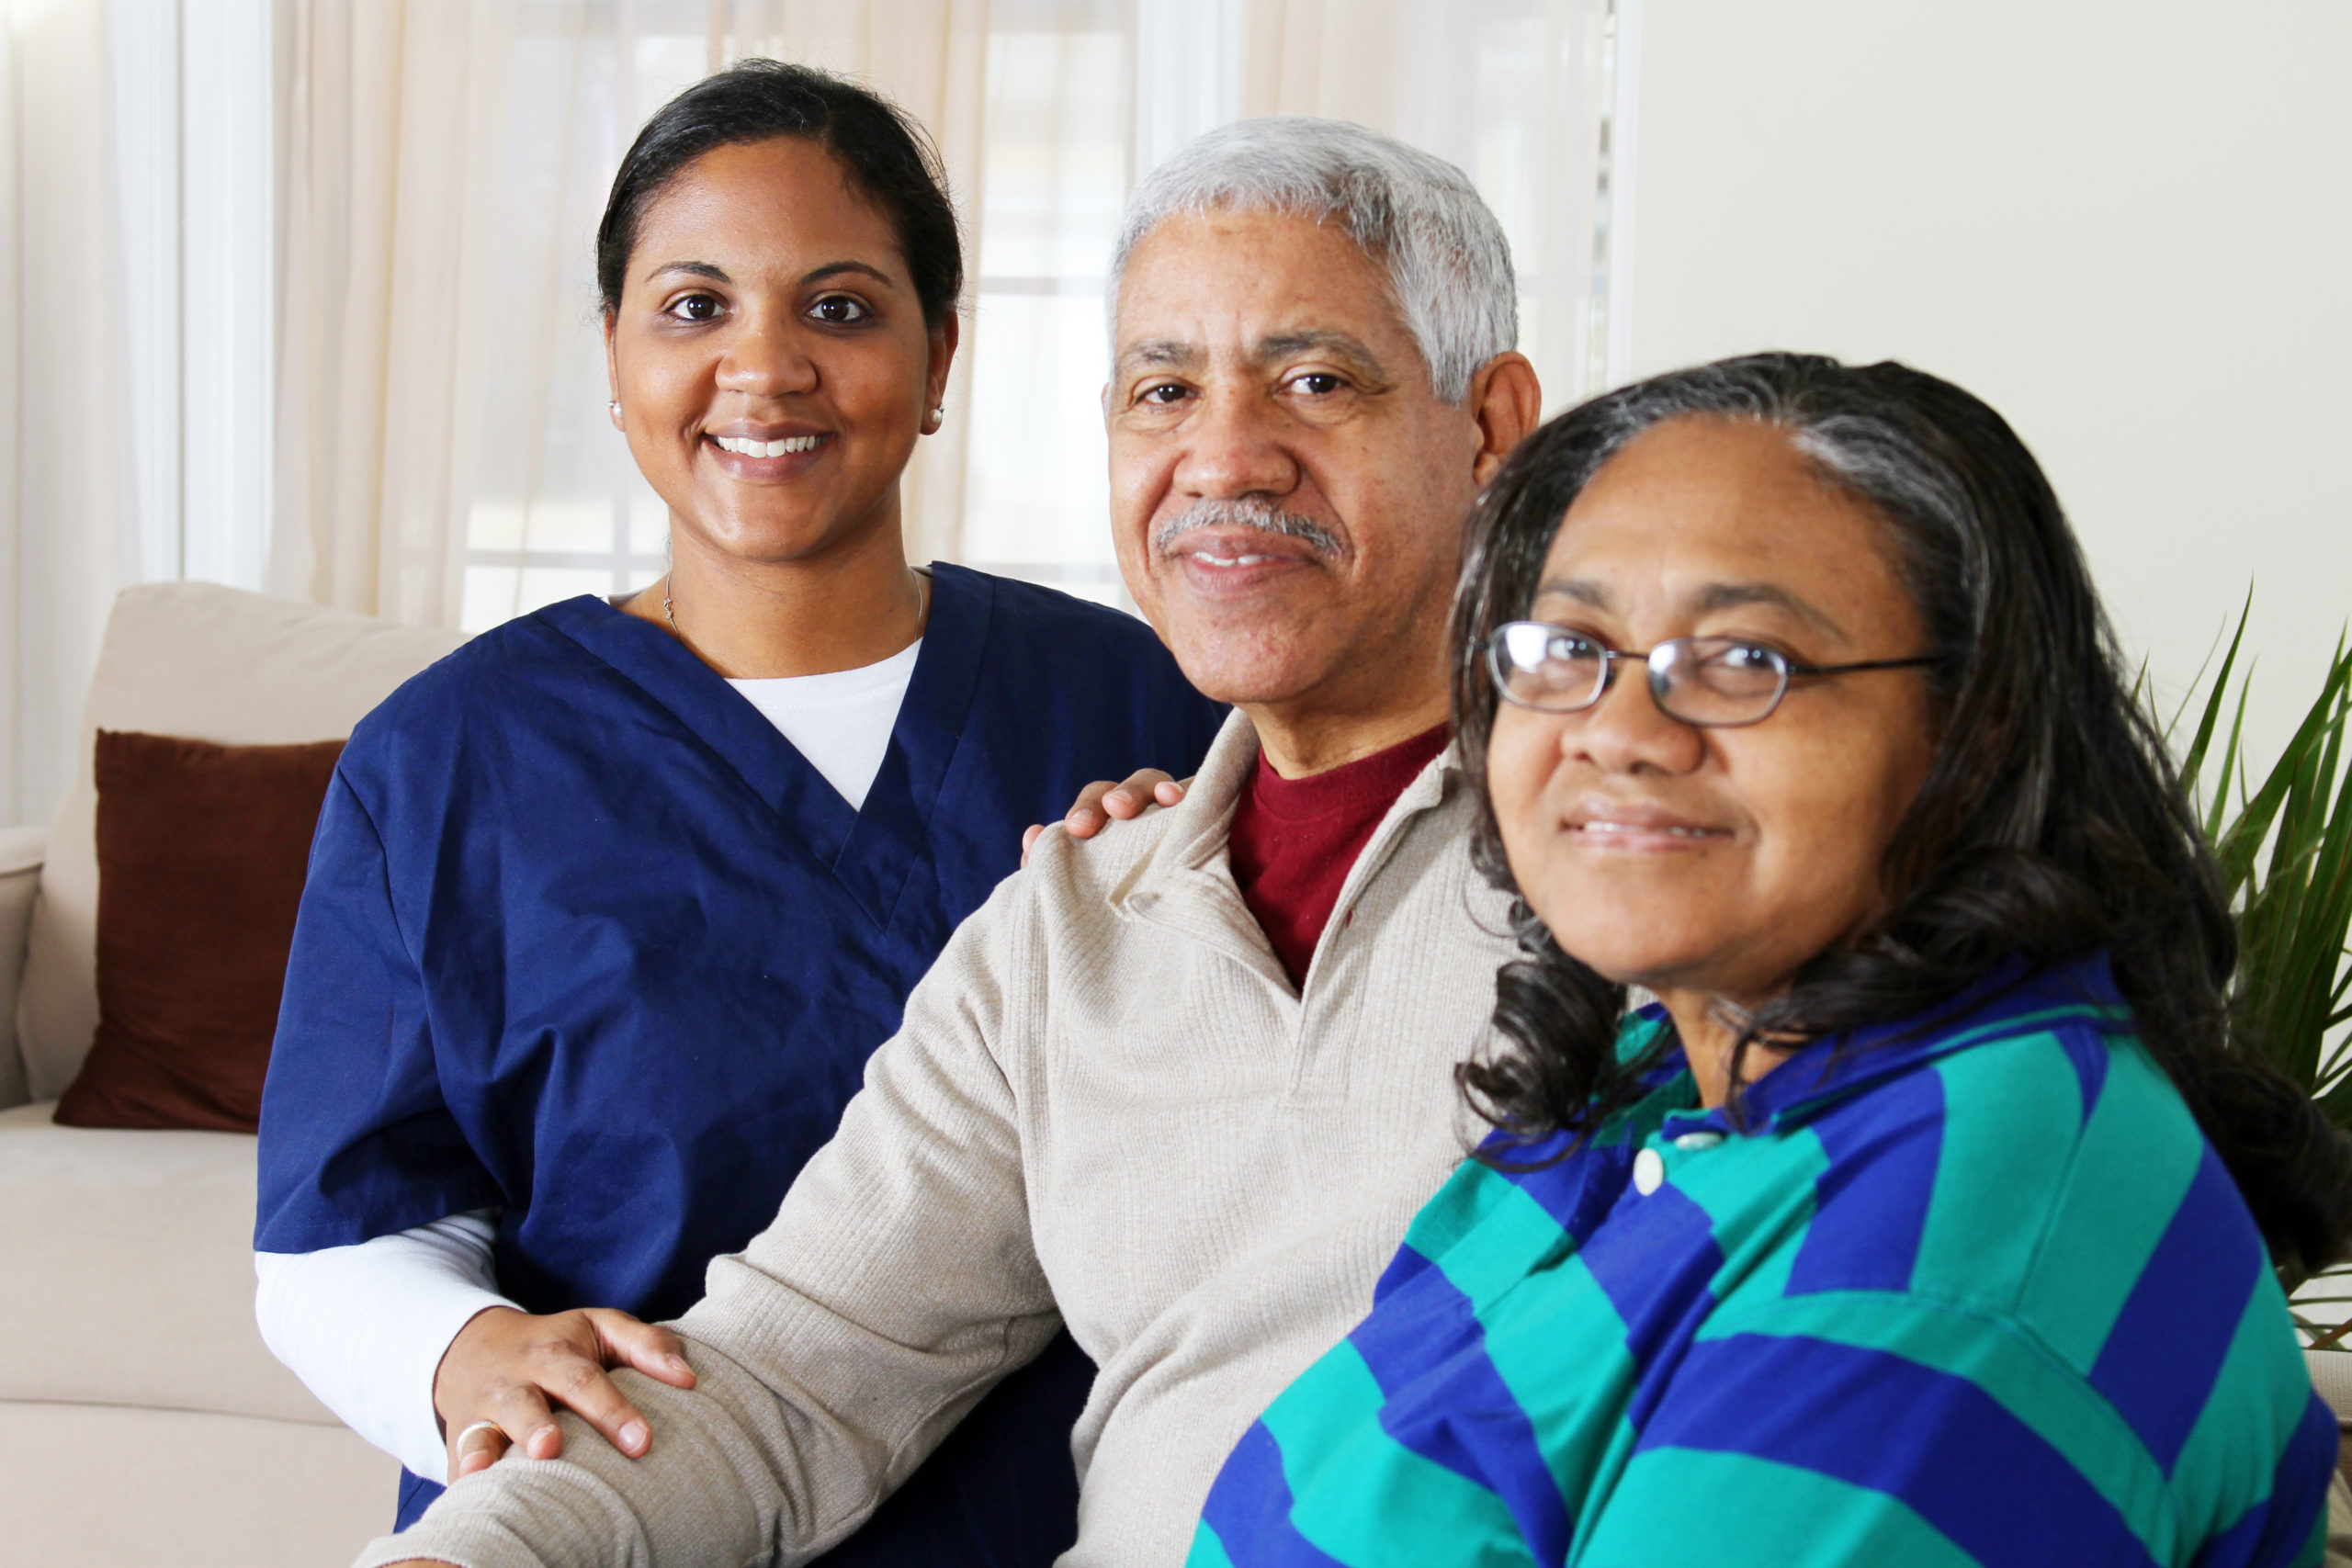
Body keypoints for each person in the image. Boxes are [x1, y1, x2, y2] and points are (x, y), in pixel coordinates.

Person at [354, 115, 1545, 1567]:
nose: (1226, 455)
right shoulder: (1073, 923)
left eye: (1313, 380)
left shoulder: (1639, 877)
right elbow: (791, 1374)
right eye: (1162, 390)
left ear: (1488, 425)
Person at [252, 61, 1224, 1561]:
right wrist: (463, 1358)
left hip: (1072, 1521)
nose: (763, 369)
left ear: (941, 350)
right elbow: (343, 1233)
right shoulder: (449, 758)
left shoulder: (1149, 706)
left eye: (838, 308)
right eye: (694, 307)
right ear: (614, 352)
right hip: (628, 1505)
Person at [1191, 353, 2350, 1566]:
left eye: (1747, 660)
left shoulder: (1963, 1238)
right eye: (1570, 647)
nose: (1620, 733)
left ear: (1973, 724)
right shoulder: (1649, 1082)